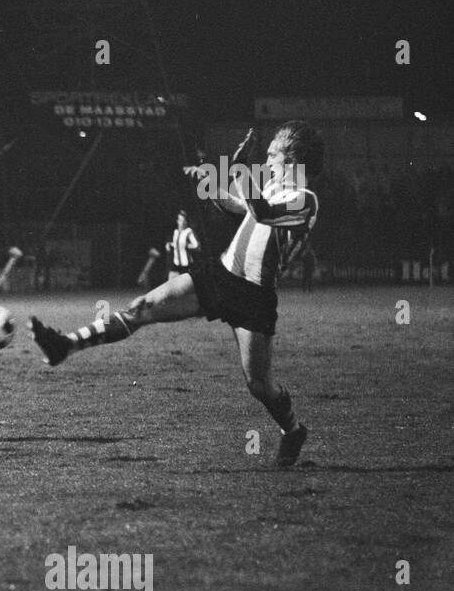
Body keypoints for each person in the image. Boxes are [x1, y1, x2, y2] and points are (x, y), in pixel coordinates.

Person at [27, 121, 323, 468]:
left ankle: (293, 430)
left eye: (273, 153)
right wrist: (218, 174)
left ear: (292, 160)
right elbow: (230, 205)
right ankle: (64, 345)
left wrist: (241, 170)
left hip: (254, 298)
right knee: (143, 307)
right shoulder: (271, 185)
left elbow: (263, 213)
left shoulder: (304, 200)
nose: (268, 158)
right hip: (220, 275)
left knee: (259, 385)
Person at [166, 210, 200, 278]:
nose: (180, 222)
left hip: (186, 265)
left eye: (183, 220)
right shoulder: (176, 232)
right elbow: (177, 243)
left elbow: (196, 245)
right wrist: (169, 244)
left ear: (186, 222)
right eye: (179, 220)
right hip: (176, 263)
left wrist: (187, 245)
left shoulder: (188, 231)